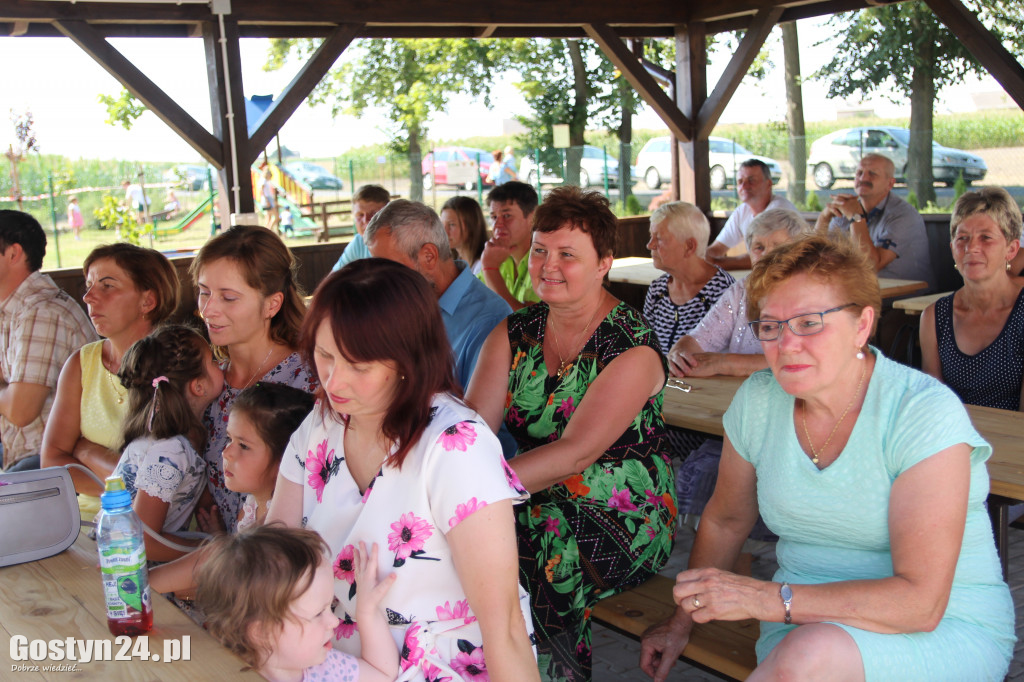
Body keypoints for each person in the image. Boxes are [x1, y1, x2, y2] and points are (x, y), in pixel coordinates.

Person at [640, 233, 1014, 682]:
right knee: (808, 654)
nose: (786, 344)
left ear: (862, 325)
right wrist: (683, 621)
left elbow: (920, 604)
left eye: (810, 322)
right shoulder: (759, 401)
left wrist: (764, 599)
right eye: (771, 326)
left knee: (810, 657)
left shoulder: (919, 413)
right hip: (800, 622)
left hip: (941, 627)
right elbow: (726, 521)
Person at [266, 259, 539, 681]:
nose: (334, 382)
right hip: (333, 664)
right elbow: (276, 558)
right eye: (324, 355)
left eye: (359, 366)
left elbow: (502, 625)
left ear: (407, 361)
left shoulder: (453, 447)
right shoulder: (321, 422)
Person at [467, 186, 676, 682]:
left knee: (536, 544)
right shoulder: (513, 333)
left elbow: (576, 453)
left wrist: (472, 493)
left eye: (567, 255)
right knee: (493, 540)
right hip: (534, 494)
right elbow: (472, 430)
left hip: (625, 511)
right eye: (540, 250)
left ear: (605, 262)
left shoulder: (631, 346)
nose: (548, 265)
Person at [191, 225, 318, 532]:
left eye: (229, 298)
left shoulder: (309, 380)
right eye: (204, 292)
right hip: (226, 555)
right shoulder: (206, 380)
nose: (209, 310)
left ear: (272, 304)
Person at [41, 243, 179, 520]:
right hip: (83, 521)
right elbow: (52, 462)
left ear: (147, 301)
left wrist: (85, 450)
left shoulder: (177, 365)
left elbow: (163, 480)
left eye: (107, 286)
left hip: (158, 528)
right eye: (89, 285)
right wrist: (125, 486)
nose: (89, 297)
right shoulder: (81, 363)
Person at [149, 383, 316, 597]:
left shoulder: (285, 517)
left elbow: (228, 558)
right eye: (229, 439)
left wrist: (140, 585)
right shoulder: (253, 503)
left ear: (286, 460)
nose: (226, 453)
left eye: (243, 446)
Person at [197, 526, 398, 682]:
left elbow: (382, 674)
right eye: (318, 613)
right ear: (263, 632)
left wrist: (366, 612)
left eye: (329, 606)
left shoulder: (326, 668)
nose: (334, 622)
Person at [365, 199, 511, 390]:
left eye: (390, 269)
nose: (382, 280)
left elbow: (479, 417)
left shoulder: (491, 319)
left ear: (429, 256)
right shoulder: (405, 304)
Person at [112, 325, 223, 562]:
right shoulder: (170, 452)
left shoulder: (176, 441)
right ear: (198, 386)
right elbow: (143, 542)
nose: (221, 364)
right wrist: (212, 550)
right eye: (213, 361)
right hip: (130, 575)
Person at [0, 210, 96, 472]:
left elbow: (20, 412)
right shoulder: (14, 307)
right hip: (19, 447)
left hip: (49, 458)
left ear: (13, 253)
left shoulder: (41, 312)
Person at [668, 208, 812, 378]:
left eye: (778, 247)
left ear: (800, 253)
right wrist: (680, 354)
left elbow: (804, 360)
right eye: (759, 247)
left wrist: (725, 363)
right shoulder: (742, 290)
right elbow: (700, 338)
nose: (767, 256)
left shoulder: (812, 293)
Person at [921, 187, 1024, 411]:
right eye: (963, 238)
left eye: (986, 238)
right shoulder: (933, 317)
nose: (971, 248)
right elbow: (934, 406)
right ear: (952, 249)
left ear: (1011, 249)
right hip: (953, 440)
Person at [814, 153, 933, 288]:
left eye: (872, 173)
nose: (863, 178)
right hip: (859, 297)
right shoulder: (846, 210)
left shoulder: (904, 216)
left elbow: (870, 265)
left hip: (903, 303)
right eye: (859, 173)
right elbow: (815, 260)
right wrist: (824, 218)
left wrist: (856, 218)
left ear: (890, 183)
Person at [644, 201, 736, 357]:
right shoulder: (657, 290)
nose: (649, 245)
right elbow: (645, 346)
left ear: (689, 246)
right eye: (651, 237)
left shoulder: (724, 292)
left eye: (659, 238)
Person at [704, 159, 797, 270]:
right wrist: (699, 259)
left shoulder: (779, 210)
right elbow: (717, 248)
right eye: (740, 181)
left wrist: (718, 262)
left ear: (768, 184)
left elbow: (766, 258)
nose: (744, 185)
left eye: (751, 180)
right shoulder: (741, 211)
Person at [479, 181, 540, 309]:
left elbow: (527, 323)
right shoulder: (499, 257)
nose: (497, 225)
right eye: (494, 217)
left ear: (533, 218)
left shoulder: (544, 262)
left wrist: (490, 269)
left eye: (507, 216)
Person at [331, 184, 391, 271]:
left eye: (374, 214)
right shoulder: (359, 243)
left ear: (389, 215)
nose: (366, 220)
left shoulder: (403, 242)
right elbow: (333, 278)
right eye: (360, 215)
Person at [441, 195, 488, 275]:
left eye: (452, 225)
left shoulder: (483, 266)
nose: (444, 231)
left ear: (471, 225)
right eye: (442, 224)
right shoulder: (451, 263)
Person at [261, 169, 280, 233]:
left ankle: (267, 230)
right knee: (276, 216)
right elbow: (262, 191)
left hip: (268, 199)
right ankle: (269, 230)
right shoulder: (263, 181)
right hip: (267, 199)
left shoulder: (266, 181)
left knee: (268, 217)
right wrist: (267, 200)